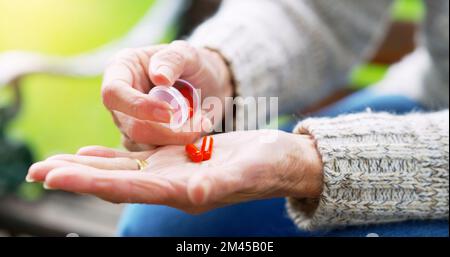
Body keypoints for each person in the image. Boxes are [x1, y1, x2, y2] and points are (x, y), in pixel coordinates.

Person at [27, 0, 448, 236]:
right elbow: (315, 12)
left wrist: (327, 163)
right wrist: (222, 66)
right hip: (428, 96)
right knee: (164, 229)